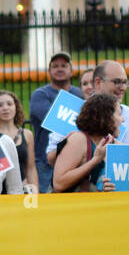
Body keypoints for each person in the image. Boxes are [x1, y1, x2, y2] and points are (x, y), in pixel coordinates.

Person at [28, 52, 85, 194]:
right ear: (49, 72)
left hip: (75, 163)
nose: (59, 69)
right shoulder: (40, 95)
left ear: (71, 71)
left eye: (64, 66)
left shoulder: (80, 94)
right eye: (55, 66)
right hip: (45, 163)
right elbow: (52, 119)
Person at [52, 93, 120, 193]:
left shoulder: (114, 144)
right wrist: (95, 160)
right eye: (119, 114)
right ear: (106, 116)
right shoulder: (78, 140)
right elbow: (58, 183)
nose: (123, 119)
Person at [0, 90, 39, 192]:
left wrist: (35, 191)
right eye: (0, 105)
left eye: (9, 104)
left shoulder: (27, 134)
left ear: (16, 107)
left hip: (20, 190)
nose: (5, 108)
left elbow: (31, 168)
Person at [93, 60, 129, 143]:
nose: (123, 88)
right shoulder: (74, 112)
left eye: (125, 82)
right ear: (98, 83)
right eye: (117, 82)